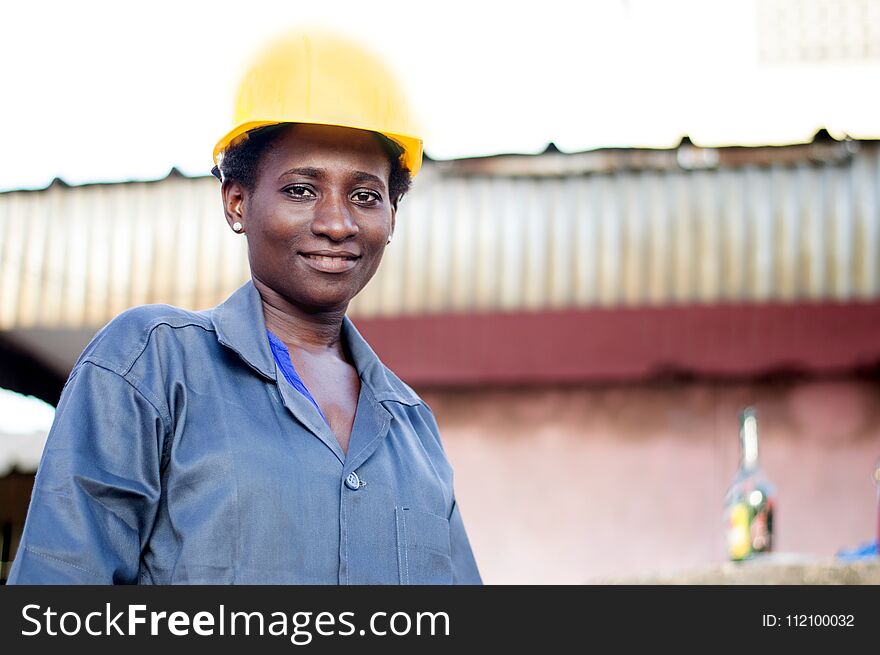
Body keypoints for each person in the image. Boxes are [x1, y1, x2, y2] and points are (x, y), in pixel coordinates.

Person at [8, 31, 481, 584]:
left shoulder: (411, 427)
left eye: (365, 195)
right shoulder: (152, 365)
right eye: (301, 189)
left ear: (392, 218)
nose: (337, 223)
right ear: (237, 202)